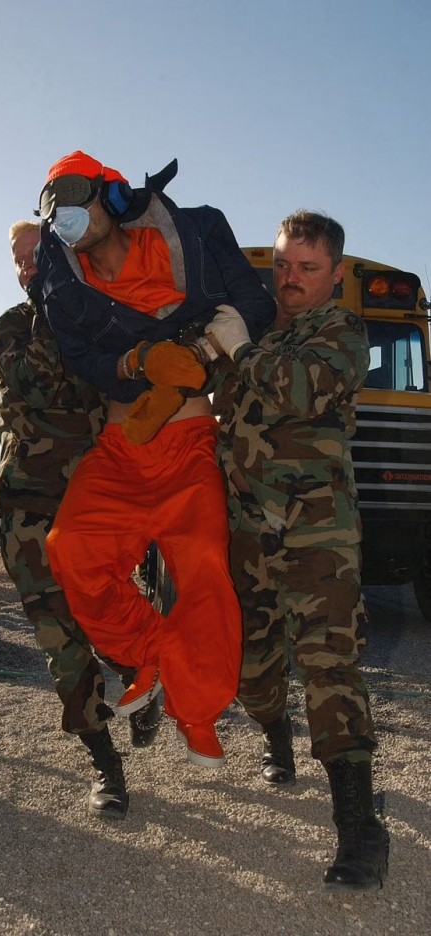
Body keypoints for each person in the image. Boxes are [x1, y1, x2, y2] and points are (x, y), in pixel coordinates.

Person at [36, 150, 276, 768]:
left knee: (202, 573)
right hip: (120, 449)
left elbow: (256, 305)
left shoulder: (195, 230)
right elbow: (81, 361)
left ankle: (195, 712)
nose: (63, 215)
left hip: (191, 443)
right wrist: (136, 363)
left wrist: (199, 348)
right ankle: (153, 654)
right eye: (50, 208)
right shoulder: (61, 285)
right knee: (72, 549)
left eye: (73, 198)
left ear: (111, 197)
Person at [210, 210, 387, 891]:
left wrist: (240, 350)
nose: (290, 279)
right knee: (253, 665)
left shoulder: (342, 331)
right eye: (283, 265)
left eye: (307, 269)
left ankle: (360, 832)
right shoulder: (258, 328)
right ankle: (274, 734)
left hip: (318, 534)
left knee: (329, 667)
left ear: (334, 274)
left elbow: (300, 388)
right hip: (247, 528)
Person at [0, 220, 161, 821]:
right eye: (19, 261)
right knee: (59, 639)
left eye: (38, 256)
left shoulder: (103, 316)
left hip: (94, 510)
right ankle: (104, 763)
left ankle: (141, 677)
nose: (27, 268)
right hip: (29, 510)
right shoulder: (14, 325)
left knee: (104, 614)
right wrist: (52, 304)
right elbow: (33, 384)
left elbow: (135, 386)